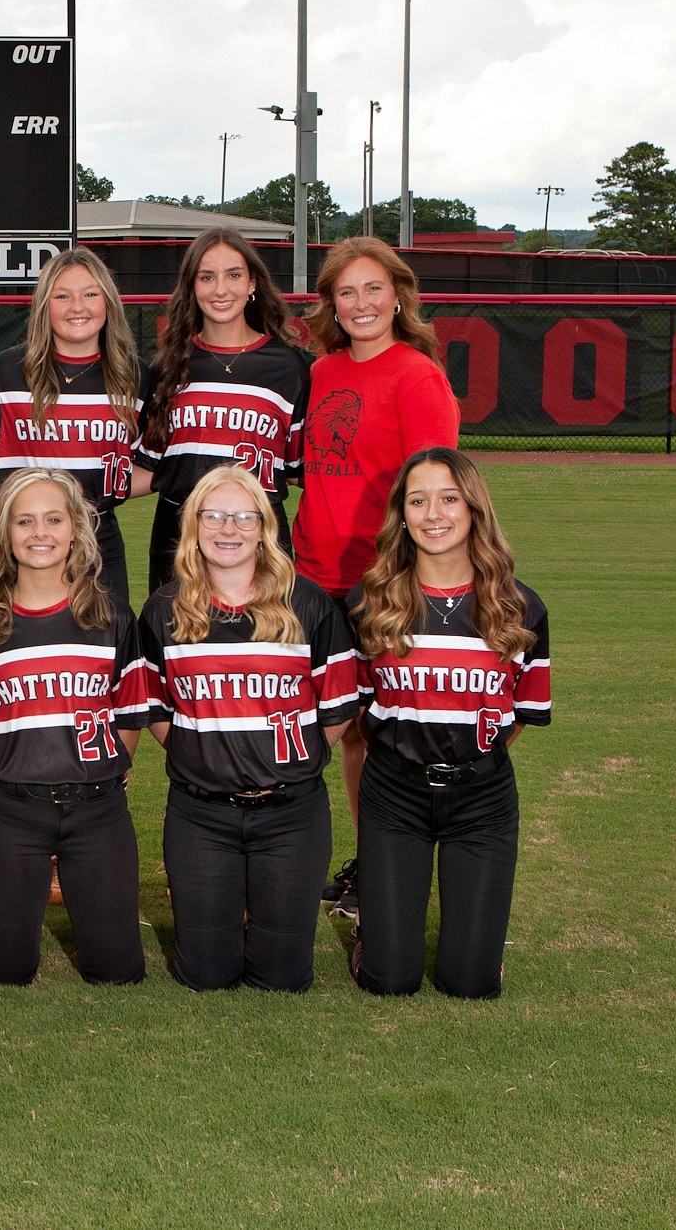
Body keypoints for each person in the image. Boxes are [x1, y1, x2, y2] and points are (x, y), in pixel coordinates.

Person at [137, 466, 362, 991]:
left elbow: (338, 708)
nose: (228, 529)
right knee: (206, 976)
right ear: (193, 526)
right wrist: (202, 750)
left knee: (283, 977)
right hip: (201, 814)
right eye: (212, 516)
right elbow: (151, 705)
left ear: (264, 526)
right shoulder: (165, 609)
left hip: (291, 815)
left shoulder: (308, 605)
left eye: (243, 516)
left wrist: (285, 757)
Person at [292, 236, 460, 922]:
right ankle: (351, 858)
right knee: (325, 724)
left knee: (375, 730)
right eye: (346, 292)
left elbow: (437, 488)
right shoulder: (325, 371)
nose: (360, 303)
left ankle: (381, 865)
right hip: (311, 572)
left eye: (372, 289)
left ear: (398, 295)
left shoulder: (416, 375)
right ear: (331, 302)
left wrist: (407, 575)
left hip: (379, 577)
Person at [347, 448, 549, 999]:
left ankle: (478, 953)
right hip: (394, 796)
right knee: (390, 981)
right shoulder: (369, 604)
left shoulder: (520, 607)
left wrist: (464, 756)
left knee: (470, 985)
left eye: (448, 498)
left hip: (482, 800)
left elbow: (516, 719)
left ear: (474, 508)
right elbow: (361, 713)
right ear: (402, 515)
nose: (433, 514)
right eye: (418, 501)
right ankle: (374, 933)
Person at [0, 469, 149, 986]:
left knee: (118, 971)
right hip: (11, 812)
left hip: (98, 809)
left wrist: (100, 773)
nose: (40, 533)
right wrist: (22, 775)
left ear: (77, 529)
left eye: (54, 519)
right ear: (3, 534)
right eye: (25, 521)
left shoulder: (111, 616)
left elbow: (128, 713)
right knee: (3, 971)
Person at [0, 248, 148, 605]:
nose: (77, 306)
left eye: (90, 294)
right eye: (62, 296)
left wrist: (102, 493)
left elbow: (155, 463)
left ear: (108, 302)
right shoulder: (7, 370)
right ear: (44, 306)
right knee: (9, 648)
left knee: (106, 649)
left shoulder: (135, 374)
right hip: (20, 538)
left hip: (99, 536)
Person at [140, 227, 312, 594]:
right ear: (192, 287)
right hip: (181, 535)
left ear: (252, 283)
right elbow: (152, 468)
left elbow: (300, 471)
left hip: (260, 535)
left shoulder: (289, 366)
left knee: (269, 643)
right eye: (207, 277)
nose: (221, 289)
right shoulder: (168, 367)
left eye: (233, 275)